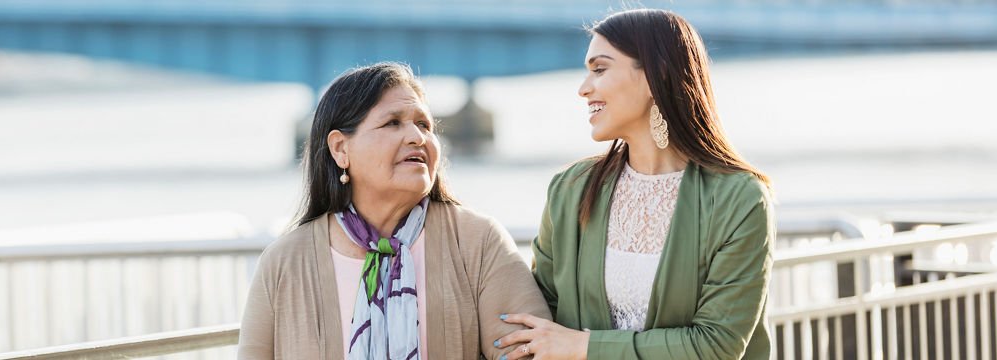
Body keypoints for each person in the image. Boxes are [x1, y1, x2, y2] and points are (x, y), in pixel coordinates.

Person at [496, 9, 776, 360]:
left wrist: (583, 347)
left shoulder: (739, 198)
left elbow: (717, 345)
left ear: (655, 76)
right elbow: (538, 316)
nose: (584, 89)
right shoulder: (570, 190)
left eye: (599, 69)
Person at [238, 62, 550, 359]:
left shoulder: (477, 242)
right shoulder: (284, 262)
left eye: (424, 125)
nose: (418, 137)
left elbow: (530, 352)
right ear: (340, 149)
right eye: (392, 123)